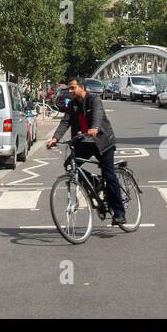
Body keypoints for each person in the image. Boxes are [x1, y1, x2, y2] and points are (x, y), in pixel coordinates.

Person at [46, 77, 125, 225]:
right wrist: (55, 138)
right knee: (70, 165)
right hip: (84, 142)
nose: (70, 91)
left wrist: (94, 127)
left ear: (82, 87)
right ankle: (95, 183)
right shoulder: (73, 105)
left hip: (102, 142)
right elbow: (65, 121)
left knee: (109, 175)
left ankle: (119, 212)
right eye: (69, 88)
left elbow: (98, 114)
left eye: (72, 88)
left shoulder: (94, 100)